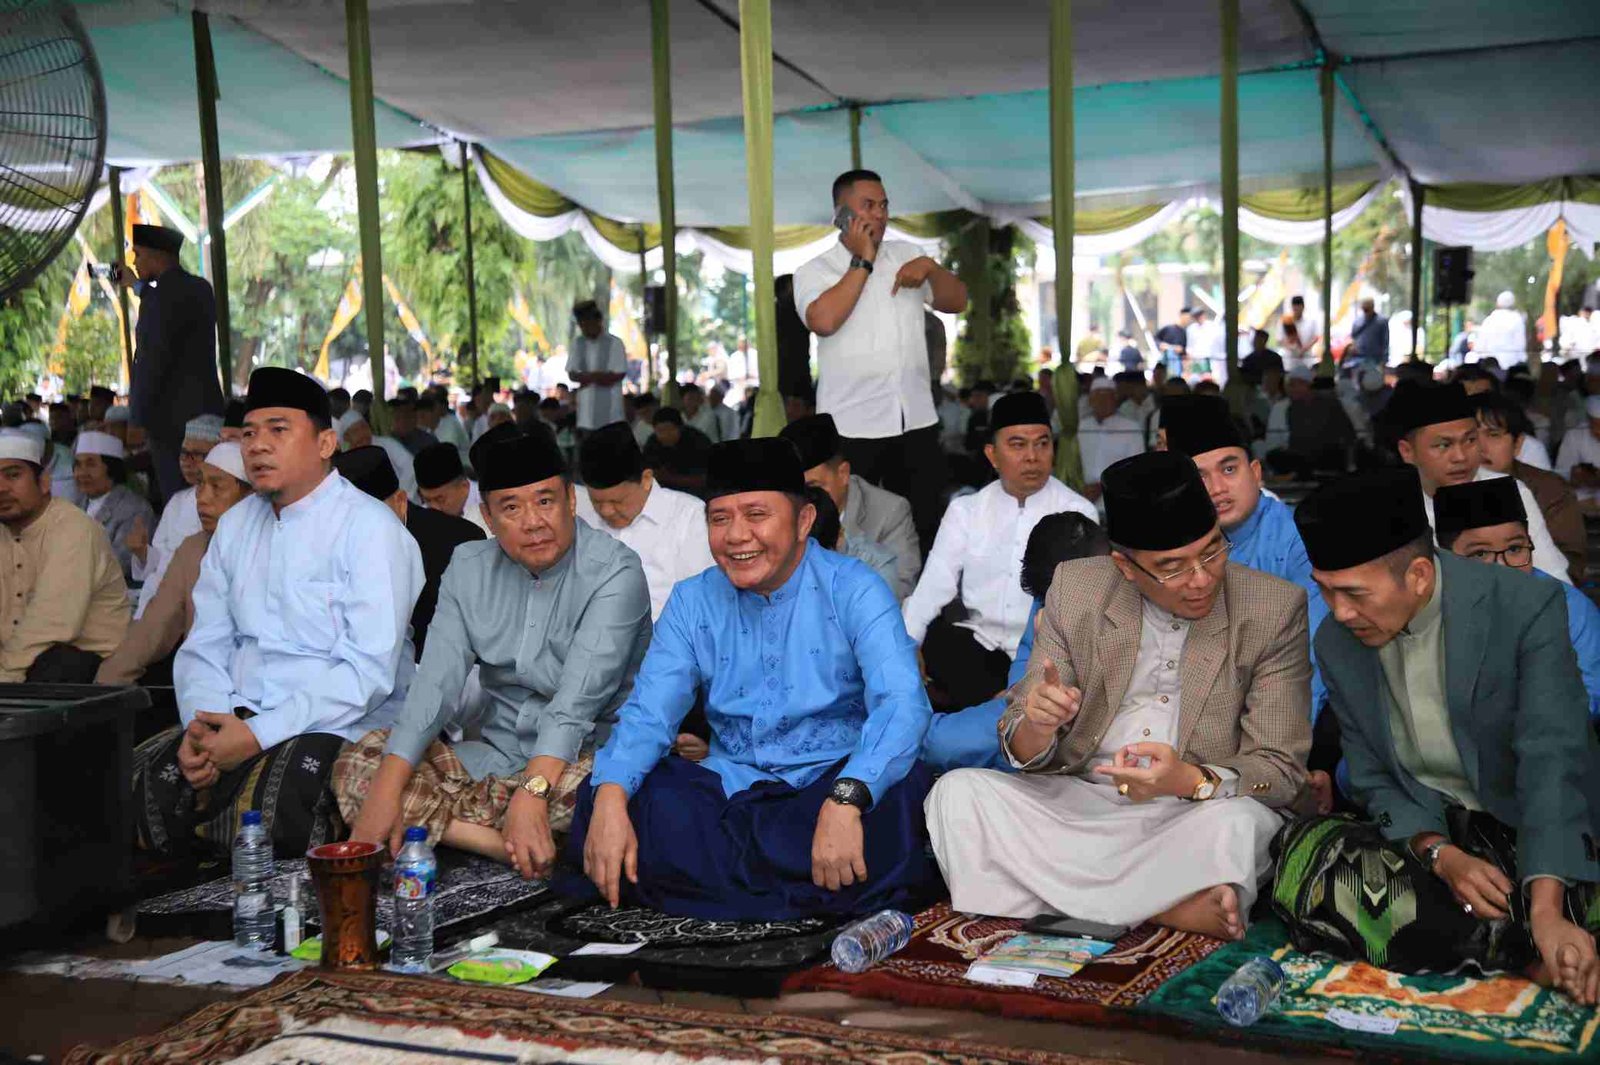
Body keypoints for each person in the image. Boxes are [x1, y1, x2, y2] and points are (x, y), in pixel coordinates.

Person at [926, 451, 1312, 938]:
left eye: (1212, 551)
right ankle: (1162, 908)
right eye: (1172, 567)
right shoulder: (1077, 588)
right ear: (1125, 566)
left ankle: (1050, 899)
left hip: (1194, 812)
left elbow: (1280, 770)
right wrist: (1037, 724)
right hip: (1081, 802)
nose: (1200, 578)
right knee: (959, 794)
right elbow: (1020, 738)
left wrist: (1189, 780)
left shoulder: (1272, 608)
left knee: (1242, 828)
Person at [570, 438, 935, 919]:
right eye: (720, 519)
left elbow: (903, 705)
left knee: (901, 800)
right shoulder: (692, 601)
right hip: (731, 792)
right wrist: (612, 798)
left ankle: (709, 889)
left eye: (756, 515)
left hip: (831, 784)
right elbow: (649, 714)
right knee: (608, 799)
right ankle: (794, 892)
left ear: (804, 521)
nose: (737, 535)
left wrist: (847, 798)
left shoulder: (854, 588)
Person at [1275, 469, 1599, 1001]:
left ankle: (1519, 933)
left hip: (1529, 826)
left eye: (1354, 594)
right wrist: (1439, 855)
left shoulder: (1526, 608)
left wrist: (1545, 911)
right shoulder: (1338, 641)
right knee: (1301, 853)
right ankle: (1524, 952)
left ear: (1420, 576)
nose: (1339, 613)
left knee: (1563, 884)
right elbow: (1375, 777)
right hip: (1432, 830)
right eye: (1326, 592)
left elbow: (1552, 761)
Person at [133, 368, 424, 858]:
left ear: (326, 443)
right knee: (139, 778)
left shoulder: (371, 530)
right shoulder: (235, 527)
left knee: (281, 800)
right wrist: (204, 725)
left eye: (278, 430)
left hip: (339, 721)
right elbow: (206, 642)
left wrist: (257, 734)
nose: (258, 446)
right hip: (237, 711)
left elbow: (364, 674)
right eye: (249, 433)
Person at [336, 429, 651, 877]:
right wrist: (385, 792)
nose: (533, 521)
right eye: (511, 507)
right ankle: (512, 845)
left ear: (571, 500)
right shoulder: (468, 567)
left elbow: (574, 708)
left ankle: (453, 828)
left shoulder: (615, 572)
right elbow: (435, 687)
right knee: (361, 758)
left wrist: (532, 793)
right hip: (494, 759)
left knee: (618, 799)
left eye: (545, 501)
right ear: (486, 514)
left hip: (582, 762)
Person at [794, 169, 967, 551]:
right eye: (868, 206)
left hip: (916, 419)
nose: (880, 214)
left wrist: (933, 270)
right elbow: (823, 320)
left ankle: (923, 609)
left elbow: (957, 301)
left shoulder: (907, 256)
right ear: (840, 215)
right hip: (853, 425)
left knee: (926, 524)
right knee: (854, 530)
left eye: (884, 205)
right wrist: (863, 261)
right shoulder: (815, 270)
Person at [902, 392, 1097, 710]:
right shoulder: (966, 510)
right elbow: (932, 588)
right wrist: (906, 648)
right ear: (992, 454)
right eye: (1018, 445)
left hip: (1046, 656)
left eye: (1042, 443)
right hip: (979, 650)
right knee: (939, 642)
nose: (1032, 456)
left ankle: (996, 718)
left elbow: (1082, 614)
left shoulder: (1078, 513)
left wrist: (1029, 678)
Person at [921, 512, 1110, 773]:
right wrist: (1026, 700)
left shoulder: (1127, 597)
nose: (1052, 608)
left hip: (1100, 725)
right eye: (1047, 601)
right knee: (935, 742)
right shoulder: (1045, 600)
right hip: (1037, 716)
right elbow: (1023, 690)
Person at [1433, 478, 1600, 721]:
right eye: (1480, 553)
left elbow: (1592, 697)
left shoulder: (1570, 607)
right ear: (1447, 559)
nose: (1503, 567)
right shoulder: (1427, 610)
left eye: (1514, 549)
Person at [96, 443, 251, 686]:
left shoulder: (277, 547)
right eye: (200, 484)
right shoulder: (192, 549)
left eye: (217, 487)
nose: (202, 498)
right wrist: (102, 688)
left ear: (251, 496)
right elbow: (152, 628)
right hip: (204, 691)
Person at [1387, 382, 1570, 583]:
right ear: (1407, 451)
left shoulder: (1507, 491)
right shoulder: (1392, 506)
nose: (1460, 456)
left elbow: (1555, 580)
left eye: (1470, 440)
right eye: (1443, 445)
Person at [0, 430, 128, 682]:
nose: (2, 488)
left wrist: (4, 677)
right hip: (17, 661)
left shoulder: (74, 529)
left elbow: (53, 622)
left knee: (57, 663)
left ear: (44, 482)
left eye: (13, 475)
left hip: (88, 663)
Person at [334, 446, 485, 658]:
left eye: (371, 518)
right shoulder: (334, 551)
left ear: (400, 501)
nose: (362, 532)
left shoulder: (458, 541)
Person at [118, 224, 224, 502]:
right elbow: (162, 298)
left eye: (138, 256)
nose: (135, 263)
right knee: (212, 490)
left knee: (180, 497)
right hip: (206, 410)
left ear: (154, 256)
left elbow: (151, 360)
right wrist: (137, 285)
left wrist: (137, 417)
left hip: (170, 421)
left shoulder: (158, 299)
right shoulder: (200, 288)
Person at [575, 422, 714, 622]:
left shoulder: (688, 518)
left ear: (646, 479)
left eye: (617, 502)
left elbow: (702, 603)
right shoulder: (582, 514)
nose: (606, 511)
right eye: (597, 502)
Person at [779, 414, 921, 600]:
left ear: (843, 474)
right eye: (796, 490)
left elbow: (900, 587)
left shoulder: (889, 511)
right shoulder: (781, 510)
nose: (805, 499)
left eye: (813, 487)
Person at [1474, 393, 1586, 580]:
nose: (1481, 447)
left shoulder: (1549, 489)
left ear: (1517, 444)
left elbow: (1570, 564)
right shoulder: (1451, 485)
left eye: (1493, 435)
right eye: (1471, 437)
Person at [131, 414, 221, 620]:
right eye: (184, 453)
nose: (187, 462)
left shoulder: (232, 503)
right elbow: (161, 563)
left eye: (197, 454)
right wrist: (143, 552)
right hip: (157, 605)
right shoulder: (178, 502)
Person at [73, 430, 154, 584]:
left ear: (111, 468)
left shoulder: (134, 508)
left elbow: (119, 565)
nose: (82, 473)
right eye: (78, 465)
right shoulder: (76, 503)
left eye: (90, 465)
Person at [1077, 377, 1145, 499]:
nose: (1102, 401)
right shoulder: (1082, 426)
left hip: (1118, 499)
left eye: (1107, 396)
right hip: (1083, 499)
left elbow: (1136, 468)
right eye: (1098, 396)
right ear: (1090, 400)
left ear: (1115, 399)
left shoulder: (1130, 427)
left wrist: (1102, 486)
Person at [566, 300, 627, 435]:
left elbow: (618, 374)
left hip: (611, 416)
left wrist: (587, 377)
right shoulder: (577, 344)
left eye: (588, 323)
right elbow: (572, 374)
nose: (585, 328)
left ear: (598, 321)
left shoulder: (614, 343)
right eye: (582, 324)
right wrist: (597, 376)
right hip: (585, 417)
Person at [337, 412, 418, 501]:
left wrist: (397, 495)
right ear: (346, 437)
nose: (362, 433)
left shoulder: (387, 443)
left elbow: (410, 464)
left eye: (364, 427)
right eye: (356, 431)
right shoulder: (347, 460)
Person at [414, 441, 489, 535]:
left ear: (464, 486)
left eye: (440, 499)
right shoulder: (421, 519)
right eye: (427, 500)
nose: (434, 508)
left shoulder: (490, 504)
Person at [641, 408, 711, 496]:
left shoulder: (698, 441)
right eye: (660, 431)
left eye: (670, 429)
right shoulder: (653, 443)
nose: (666, 435)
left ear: (680, 428)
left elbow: (704, 479)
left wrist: (668, 477)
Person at [1555, 395, 1600, 497]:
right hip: (1584, 495)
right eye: (1596, 425)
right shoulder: (1574, 436)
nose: (1599, 431)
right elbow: (1561, 473)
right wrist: (1575, 476)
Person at [1476, 291, 1529, 367]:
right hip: (1511, 364)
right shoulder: (1517, 320)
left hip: (1490, 365)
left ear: (1497, 303)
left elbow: (1480, 346)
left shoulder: (1489, 320)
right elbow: (1520, 345)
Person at [1348, 298, 1388, 369]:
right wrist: (1352, 348)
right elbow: (1353, 337)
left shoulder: (1381, 321)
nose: (1365, 311)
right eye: (1364, 309)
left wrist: (1384, 360)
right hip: (1359, 357)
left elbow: (1385, 341)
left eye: (1367, 309)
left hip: (1375, 359)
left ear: (1372, 307)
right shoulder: (1357, 321)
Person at [1155, 309, 1190, 376]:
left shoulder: (1184, 332)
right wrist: (1161, 345)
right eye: (1186, 318)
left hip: (1177, 362)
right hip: (1165, 359)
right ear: (1181, 316)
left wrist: (1181, 350)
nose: (1187, 320)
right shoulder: (1167, 328)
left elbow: (1184, 350)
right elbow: (1156, 339)